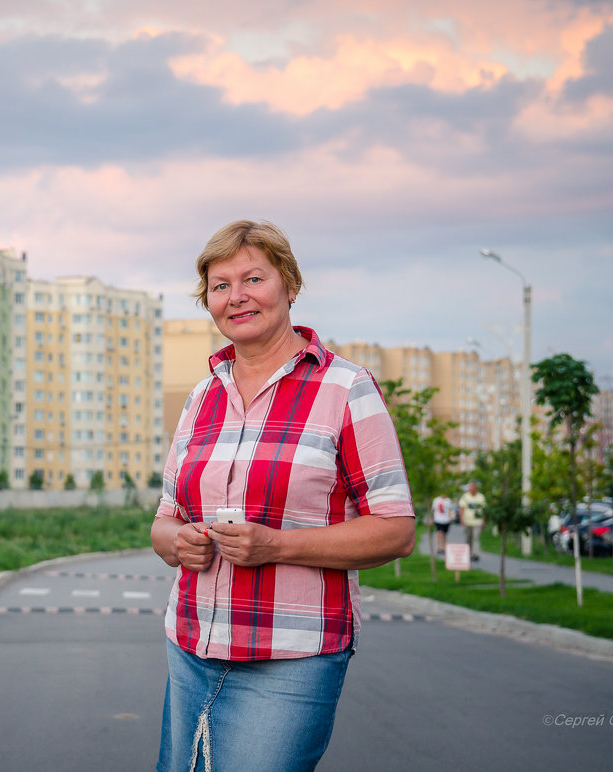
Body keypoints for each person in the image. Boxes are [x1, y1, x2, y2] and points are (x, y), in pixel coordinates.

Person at [150, 220, 416, 772]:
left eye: (253, 278)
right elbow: (165, 520)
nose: (237, 297)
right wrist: (181, 544)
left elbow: (395, 529)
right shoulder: (202, 396)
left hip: (292, 657)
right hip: (191, 646)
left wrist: (276, 546)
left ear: (289, 284)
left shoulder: (346, 388)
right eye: (220, 286)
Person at [457, 481, 486, 561]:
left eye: (472, 487)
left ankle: (475, 554)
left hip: (477, 521)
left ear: (475, 487)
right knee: (468, 538)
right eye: (470, 487)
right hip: (467, 521)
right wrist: (461, 518)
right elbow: (462, 508)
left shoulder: (481, 497)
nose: (471, 488)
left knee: (476, 538)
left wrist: (484, 522)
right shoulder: (465, 497)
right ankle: (468, 554)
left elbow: (483, 510)